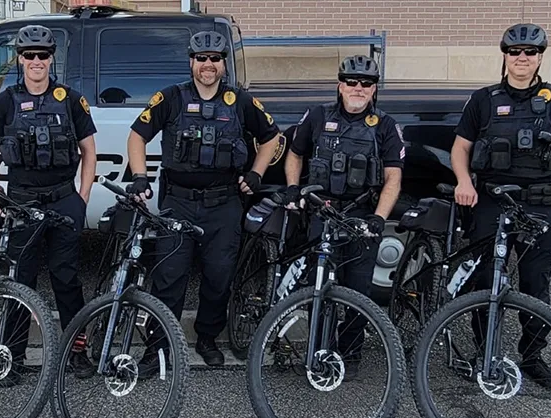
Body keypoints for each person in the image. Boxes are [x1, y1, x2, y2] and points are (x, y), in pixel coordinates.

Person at [126, 30, 280, 371]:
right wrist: (140, 176)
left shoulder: (240, 101)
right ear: (191, 62)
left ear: (223, 63)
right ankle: (158, 347)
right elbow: (137, 136)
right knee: (169, 276)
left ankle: (208, 338)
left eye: (214, 58)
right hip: (178, 202)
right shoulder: (170, 98)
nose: (208, 65)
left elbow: (271, 137)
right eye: (201, 58)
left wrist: (256, 172)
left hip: (224, 204)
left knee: (219, 276)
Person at [451, 23, 551, 389]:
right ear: (505, 56)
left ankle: (532, 356)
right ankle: (486, 350)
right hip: (492, 203)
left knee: (534, 284)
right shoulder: (483, 99)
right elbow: (460, 148)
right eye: (515, 52)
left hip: (541, 206)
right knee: (484, 280)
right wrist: (464, 181)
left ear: (540, 56)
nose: (522, 58)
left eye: (530, 52)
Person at [0, 24, 98, 384]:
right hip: (20, 203)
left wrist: (82, 198)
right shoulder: (5, 101)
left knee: (66, 280)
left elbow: (88, 151)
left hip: (63, 201)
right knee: (20, 281)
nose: (35, 61)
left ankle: (76, 353)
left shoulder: (70, 99)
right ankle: (13, 356)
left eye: (42, 55)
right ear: (20, 58)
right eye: (29, 55)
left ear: (51, 59)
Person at [278, 54, 405, 380]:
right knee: (319, 285)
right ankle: (318, 350)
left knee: (358, 291)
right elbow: (295, 152)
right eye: (352, 82)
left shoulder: (387, 126)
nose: (358, 88)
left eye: (366, 83)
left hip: (362, 217)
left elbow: (393, 177)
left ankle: (349, 353)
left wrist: (379, 218)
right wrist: (293, 187)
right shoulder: (318, 116)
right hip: (324, 212)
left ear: (374, 89)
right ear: (340, 84)